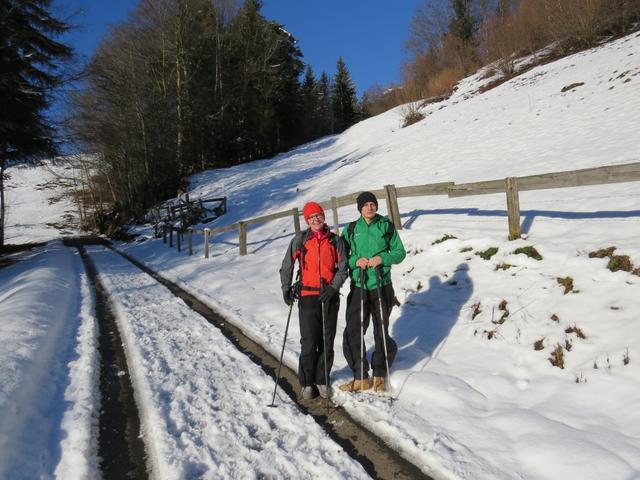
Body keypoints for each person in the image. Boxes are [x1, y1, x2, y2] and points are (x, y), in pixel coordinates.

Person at [280, 201, 348, 400]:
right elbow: (287, 265)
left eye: (318, 215)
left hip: (329, 296)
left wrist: (334, 287)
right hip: (308, 296)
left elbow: (343, 268)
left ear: (323, 217)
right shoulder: (300, 240)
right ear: (307, 220)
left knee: (327, 340)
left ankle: (322, 379)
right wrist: (287, 289)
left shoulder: (336, 241)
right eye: (311, 217)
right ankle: (307, 382)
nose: (315, 219)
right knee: (309, 341)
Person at [340, 191, 406, 393]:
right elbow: (342, 256)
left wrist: (383, 258)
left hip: (381, 285)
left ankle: (380, 373)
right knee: (353, 330)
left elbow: (399, 252)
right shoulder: (351, 229)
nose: (370, 207)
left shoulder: (385, 226)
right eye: (366, 204)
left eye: (373, 204)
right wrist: (354, 261)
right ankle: (360, 376)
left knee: (380, 329)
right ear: (359, 208)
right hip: (359, 286)